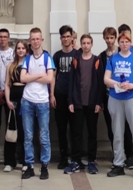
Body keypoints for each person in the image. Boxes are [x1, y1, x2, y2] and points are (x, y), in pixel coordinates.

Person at [103, 29, 133, 180]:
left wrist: (132, 86)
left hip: (132, 97)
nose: (124, 44)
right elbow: (106, 79)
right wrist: (119, 84)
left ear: (130, 43)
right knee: (117, 132)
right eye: (121, 41)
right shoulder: (112, 59)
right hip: (115, 98)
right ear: (118, 43)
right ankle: (118, 164)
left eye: (127, 41)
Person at [19, 27, 55, 180]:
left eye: (37, 39)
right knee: (28, 136)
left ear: (41, 40)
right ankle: (30, 165)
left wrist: (31, 76)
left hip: (42, 102)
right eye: (32, 39)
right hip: (27, 100)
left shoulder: (47, 58)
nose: (35, 41)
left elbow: (49, 79)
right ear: (30, 41)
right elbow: (22, 78)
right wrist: (40, 74)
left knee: (44, 135)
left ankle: (44, 166)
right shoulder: (27, 59)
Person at [98, 27, 133, 168]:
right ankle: (117, 156)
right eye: (107, 38)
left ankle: (129, 156)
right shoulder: (102, 56)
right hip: (109, 96)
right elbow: (101, 78)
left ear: (115, 38)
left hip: (125, 95)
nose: (109, 40)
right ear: (104, 39)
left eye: (112, 38)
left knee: (126, 127)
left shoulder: (122, 52)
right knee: (112, 128)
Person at [69, 33, 103, 175]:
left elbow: (100, 83)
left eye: (88, 43)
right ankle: (76, 161)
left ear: (92, 44)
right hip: (77, 103)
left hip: (92, 103)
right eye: (83, 43)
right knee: (76, 133)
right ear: (80, 45)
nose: (86, 45)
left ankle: (91, 161)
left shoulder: (97, 61)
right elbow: (71, 82)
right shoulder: (76, 60)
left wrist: (99, 102)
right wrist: (70, 101)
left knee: (92, 133)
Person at [53, 25, 80, 171]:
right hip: (60, 95)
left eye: (68, 36)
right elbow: (53, 75)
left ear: (72, 38)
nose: (65, 39)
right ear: (61, 38)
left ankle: (76, 158)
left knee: (75, 129)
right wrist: (52, 94)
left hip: (75, 96)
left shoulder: (78, 54)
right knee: (61, 128)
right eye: (63, 37)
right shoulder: (57, 55)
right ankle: (63, 157)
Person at [3, 39, 28, 172]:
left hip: (26, 99)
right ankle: (9, 161)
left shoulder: (29, 64)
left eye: (23, 48)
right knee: (11, 130)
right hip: (12, 100)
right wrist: (7, 100)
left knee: (25, 130)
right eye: (18, 48)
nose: (21, 50)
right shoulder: (10, 66)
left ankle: (24, 160)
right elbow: (7, 84)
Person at [0, 28, 14, 167]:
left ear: (9, 38)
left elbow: (14, 74)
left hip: (9, 94)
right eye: (0, 36)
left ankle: (9, 159)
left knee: (10, 126)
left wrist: (6, 92)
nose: (2, 39)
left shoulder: (13, 54)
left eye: (5, 36)